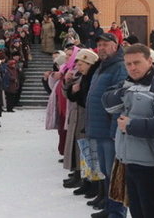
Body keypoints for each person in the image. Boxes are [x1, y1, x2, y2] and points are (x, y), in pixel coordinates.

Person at [103, 44, 154, 218]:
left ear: (150, 61)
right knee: (137, 212)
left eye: (137, 62)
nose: (132, 68)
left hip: (151, 166)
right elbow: (107, 103)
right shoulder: (128, 84)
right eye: (128, 64)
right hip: (130, 162)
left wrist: (131, 126)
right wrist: (122, 90)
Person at [86, 33, 128, 218]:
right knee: (105, 171)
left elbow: (120, 100)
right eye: (99, 45)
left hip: (109, 132)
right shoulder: (102, 67)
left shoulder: (119, 66)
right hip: (98, 129)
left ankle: (117, 211)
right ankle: (110, 208)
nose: (101, 48)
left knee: (114, 174)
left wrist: (114, 131)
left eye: (105, 44)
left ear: (115, 45)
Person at [63, 49, 99, 198]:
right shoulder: (82, 77)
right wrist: (69, 84)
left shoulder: (91, 78)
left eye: (81, 62)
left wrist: (75, 91)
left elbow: (84, 99)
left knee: (87, 152)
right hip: (77, 116)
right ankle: (83, 178)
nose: (77, 65)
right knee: (80, 149)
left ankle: (90, 182)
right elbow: (71, 96)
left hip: (85, 117)